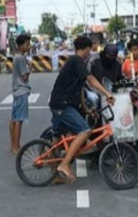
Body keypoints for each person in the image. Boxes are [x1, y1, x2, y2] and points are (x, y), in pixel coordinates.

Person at [49, 35, 115, 183]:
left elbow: (79, 90)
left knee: (58, 138)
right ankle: (65, 164)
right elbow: (90, 79)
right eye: (89, 51)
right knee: (85, 130)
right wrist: (107, 93)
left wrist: (86, 109)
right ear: (85, 50)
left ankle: (55, 174)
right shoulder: (76, 61)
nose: (89, 54)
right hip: (62, 105)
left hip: (59, 102)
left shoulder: (75, 63)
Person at [10, 34, 32, 154]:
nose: (29, 47)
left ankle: (13, 144)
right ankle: (16, 146)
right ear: (21, 45)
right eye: (27, 44)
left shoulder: (17, 57)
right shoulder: (20, 59)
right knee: (19, 119)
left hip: (16, 90)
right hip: (22, 90)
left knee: (14, 118)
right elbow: (24, 77)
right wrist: (30, 68)